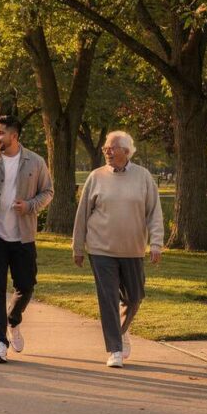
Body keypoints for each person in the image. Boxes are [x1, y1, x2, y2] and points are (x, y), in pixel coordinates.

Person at [0, 115, 53, 364]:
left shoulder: (35, 162)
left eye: (1, 133)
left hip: (23, 236)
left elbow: (48, 191)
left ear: (15, 136)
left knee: (26, 286)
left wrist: (30, 205)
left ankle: (13, 320)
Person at [71, 130, 163, 369]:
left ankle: (121, 331)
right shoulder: (96, 176)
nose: (107, 152)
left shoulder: (143, 177)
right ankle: (115, 349)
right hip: (101, 249)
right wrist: (78, 246)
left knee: (134, 298)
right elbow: (82, 215)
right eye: (105, 148)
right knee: (108, 299)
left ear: (126, 151)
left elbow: (154, 213)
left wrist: (156, 243)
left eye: (111, 148)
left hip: (133, 249)